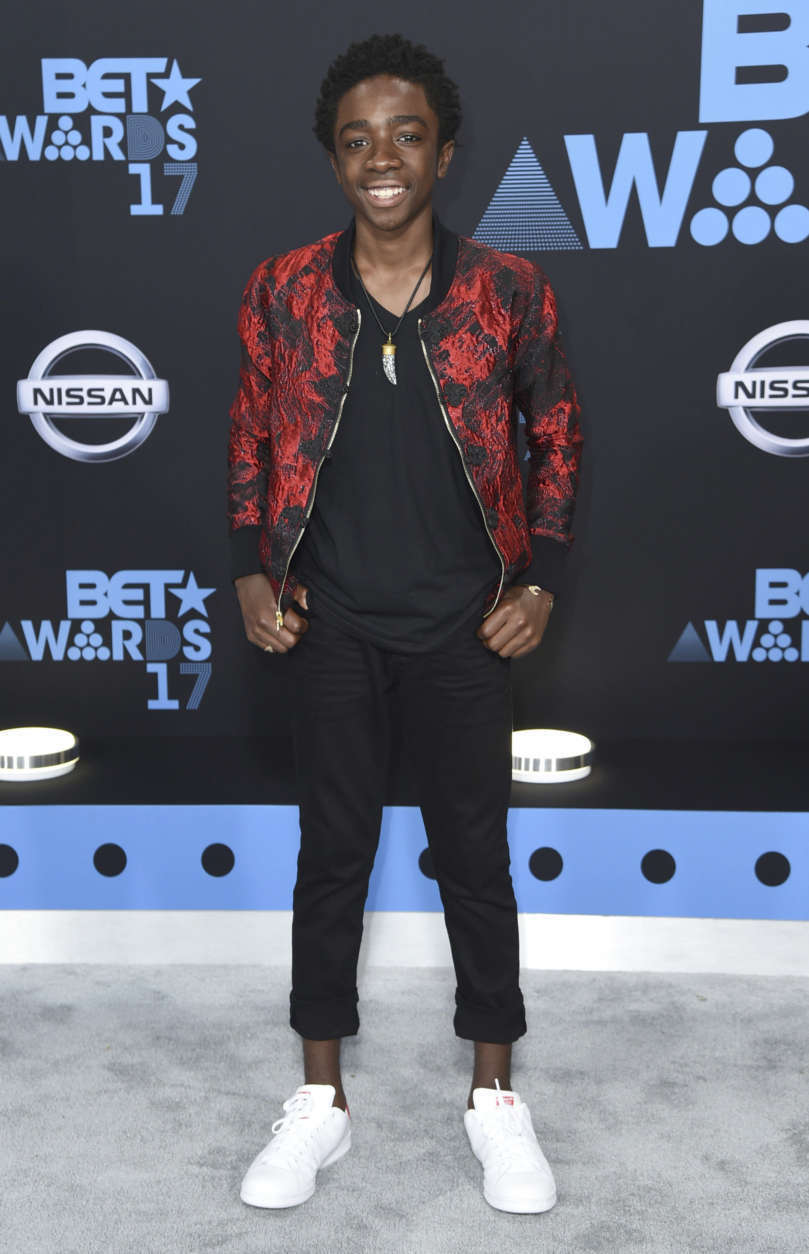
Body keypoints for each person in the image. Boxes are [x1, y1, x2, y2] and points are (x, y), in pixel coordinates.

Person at [227, 33, 583, 1215]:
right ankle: (319, 1102)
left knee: (474, 863)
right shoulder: (282, 289)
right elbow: (250, 437)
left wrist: (539, 583)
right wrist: (250, 570)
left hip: (461, 630)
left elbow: (555, 438)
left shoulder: (507, 292)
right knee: (329, 862)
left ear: (444, 149)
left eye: (406, 134)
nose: (382, 157)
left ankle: (493, 1096)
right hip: (330, 624)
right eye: (356, 139)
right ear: (334, 160)